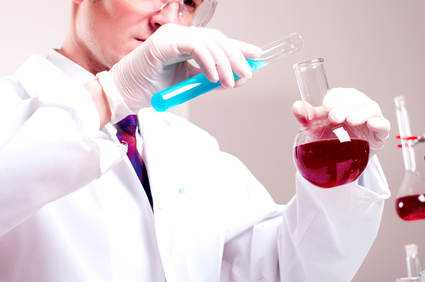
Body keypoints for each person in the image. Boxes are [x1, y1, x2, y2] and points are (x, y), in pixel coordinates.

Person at [0, 0, 391, 281]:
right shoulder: (9, 110)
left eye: (187, 3)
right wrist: (109, 95)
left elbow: (280, 270)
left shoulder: (191, 147)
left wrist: (336, 171)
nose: (169, 21)